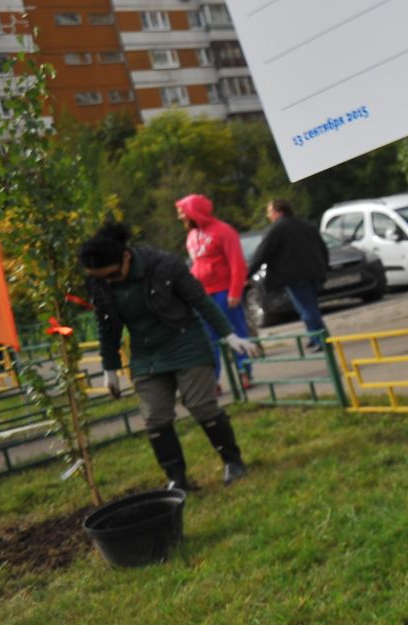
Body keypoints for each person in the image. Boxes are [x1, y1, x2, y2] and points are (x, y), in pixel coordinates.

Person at [81, 222, 258, 489]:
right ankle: (177, 479)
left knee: (201, 405)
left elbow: (201, 300)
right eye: (101, 278)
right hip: (146, 353)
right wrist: (110, 369)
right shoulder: (101, 282)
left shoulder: (164, 265)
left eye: (113, 275)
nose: (108, 281)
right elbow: (106, 325)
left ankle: (233, 462)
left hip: (185, 341)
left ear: (126, 257)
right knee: (155, 417)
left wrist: (229, 335)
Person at [174, 193, 251, 385]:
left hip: (225, 292)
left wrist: (235, 291)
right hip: (202, 295)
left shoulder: (224, 231)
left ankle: (244, 371)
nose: (180, 217)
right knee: (208, 339)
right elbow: (195, 265)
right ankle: (213, 380)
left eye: (182, 213)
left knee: (236, 332)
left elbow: (237, 263)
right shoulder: (191, 235)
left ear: (194, 212)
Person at [250, 198, 330, 345]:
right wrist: (324, 267)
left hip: (295, 276)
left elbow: (262, 253)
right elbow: (322, 247)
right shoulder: (306, 225)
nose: (269, 216)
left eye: (270, 212)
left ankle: (322, 339)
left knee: (306, 308)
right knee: (309, 305)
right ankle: (314, 336)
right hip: (315, 272)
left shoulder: (276, 230)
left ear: (278, 212)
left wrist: (247, 273)